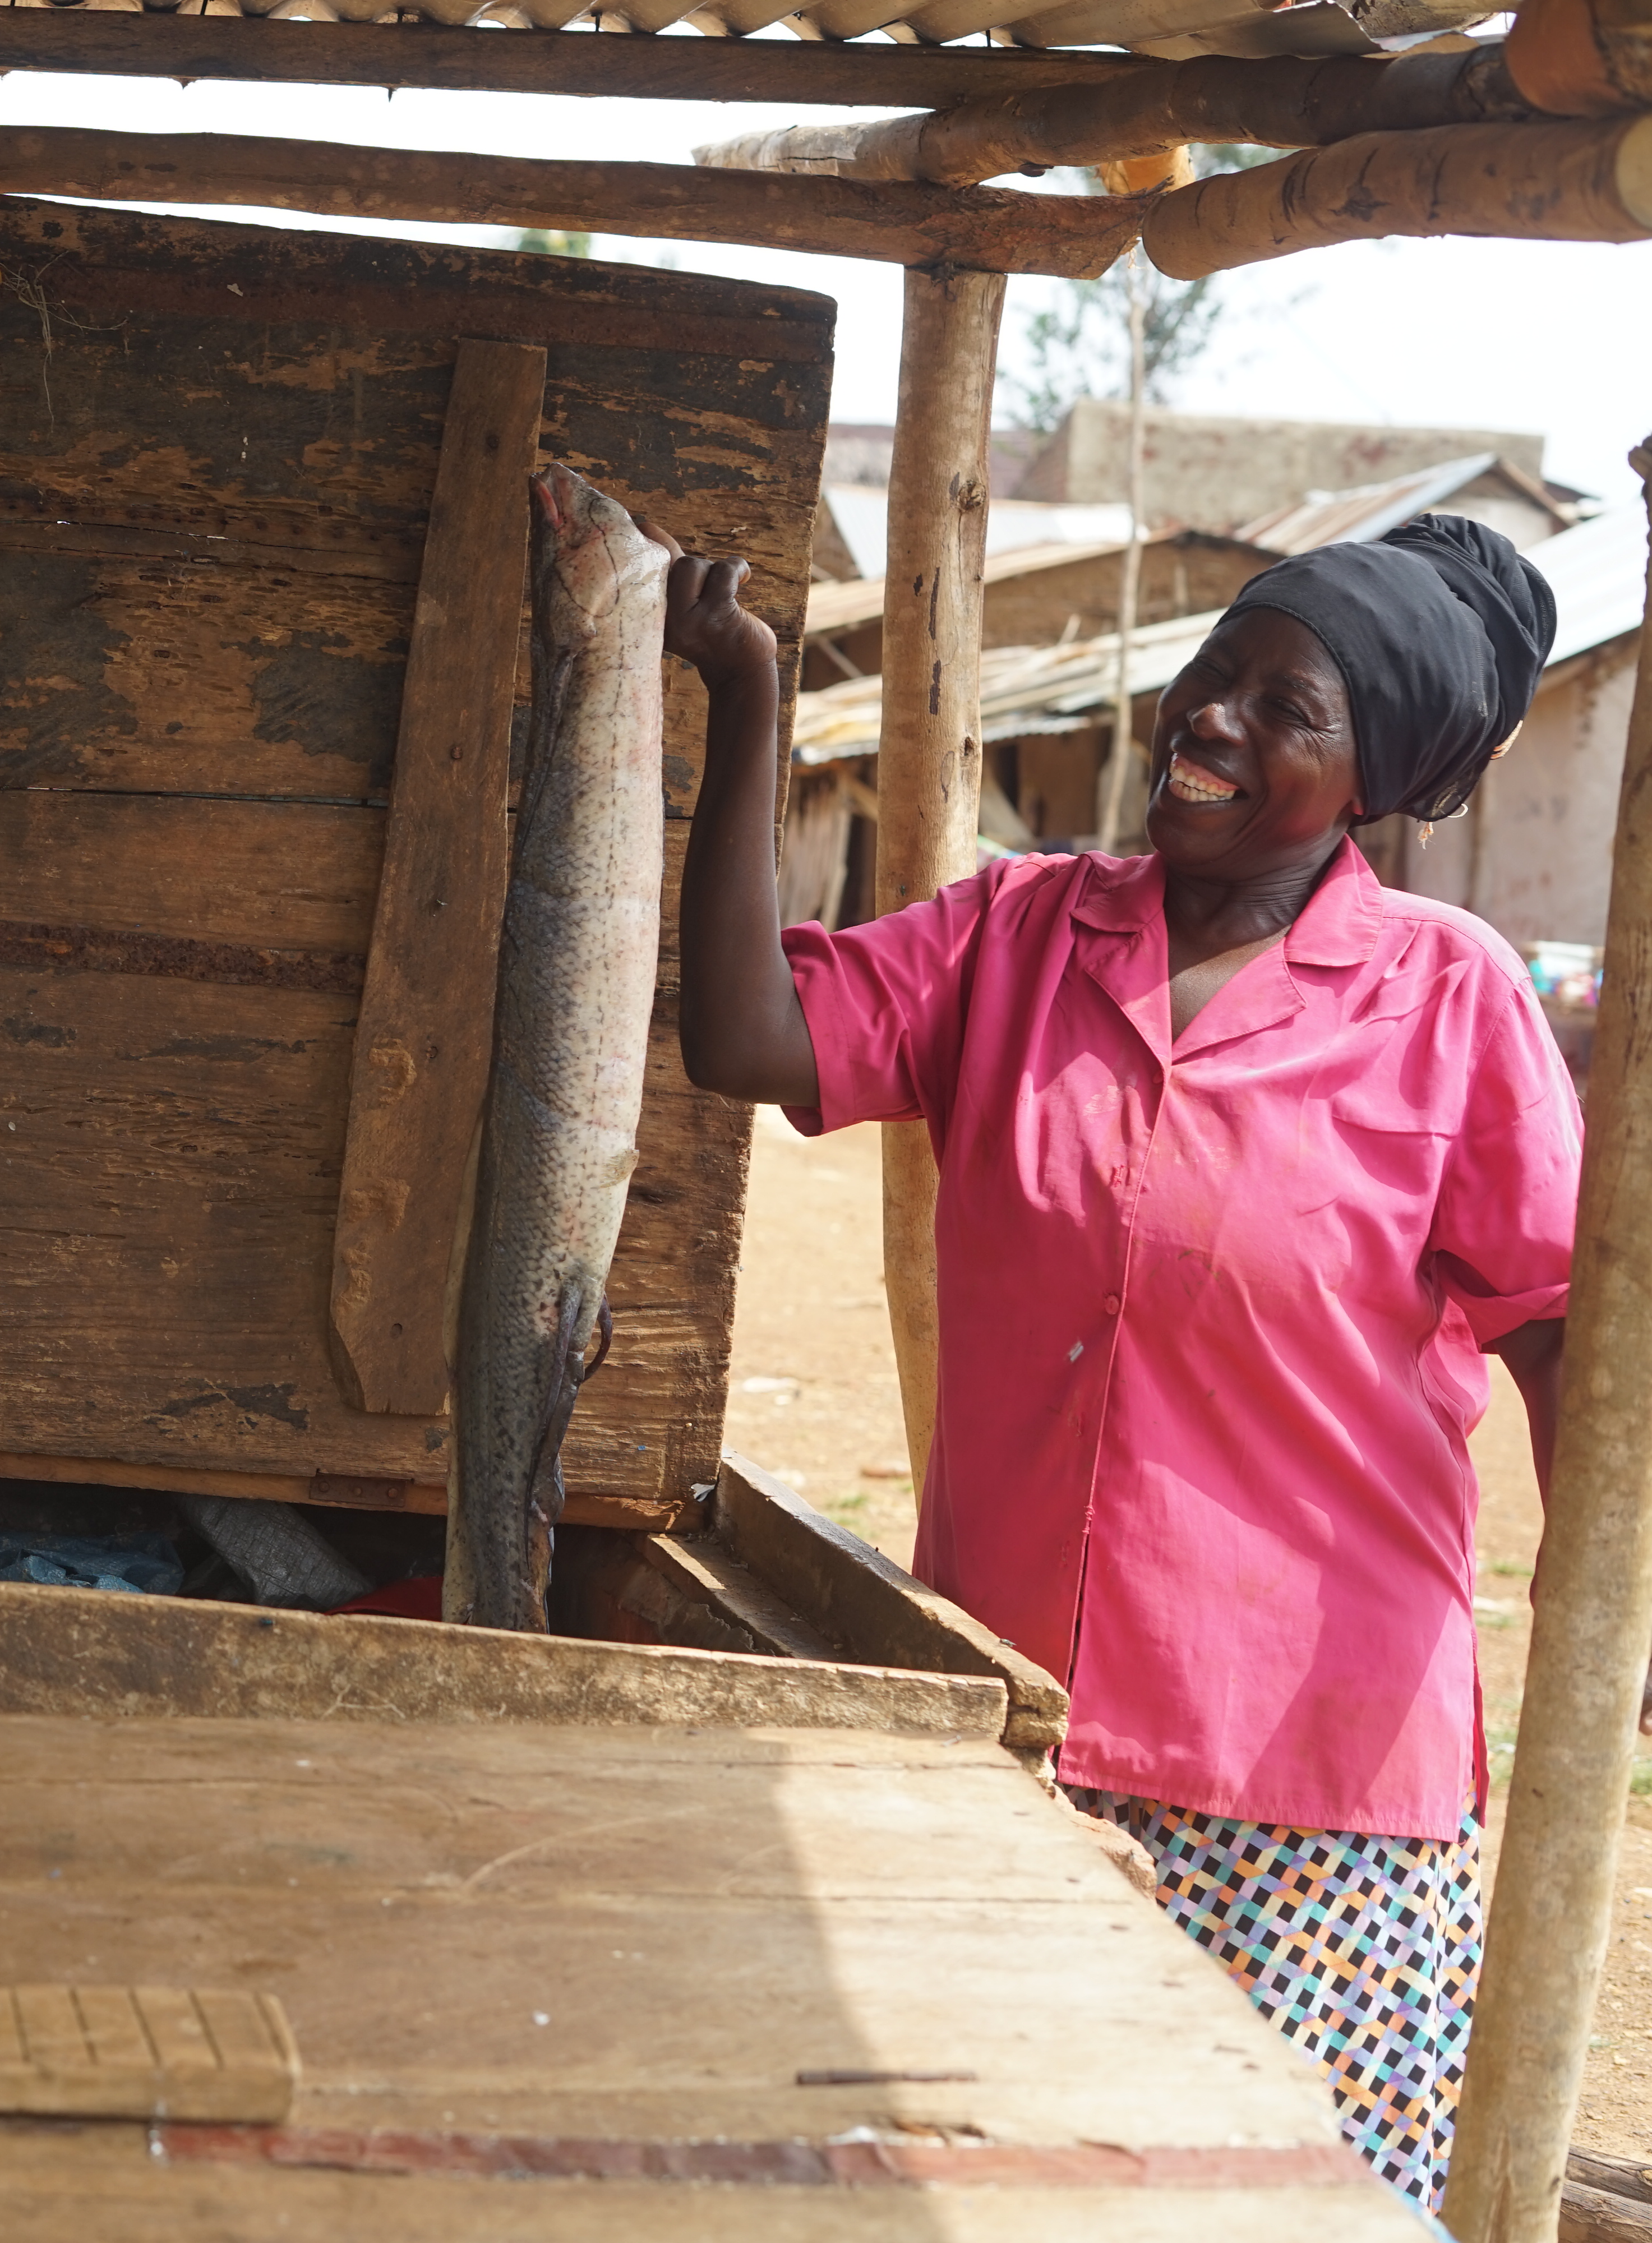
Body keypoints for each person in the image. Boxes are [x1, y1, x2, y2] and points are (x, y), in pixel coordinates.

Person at [672, 510, 1575, 2211]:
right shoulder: (1017, 933)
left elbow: (1562, 1342)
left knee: (1282, 2211)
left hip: (1312, 1791)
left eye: (1280, 704)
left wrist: (1637, 1604)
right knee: (999, 2200)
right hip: (1021, 1734)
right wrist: (750, 707)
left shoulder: (1448, 1001)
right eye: (1213, 673)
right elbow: (746, 1036)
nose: (1212, 718)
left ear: (1366, 775)